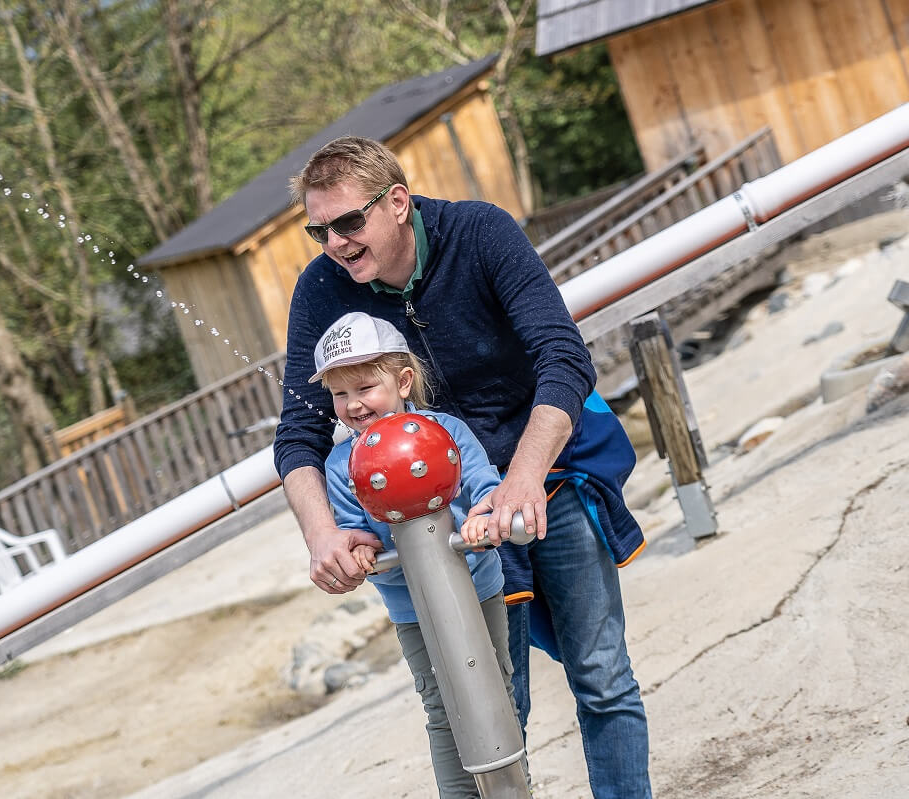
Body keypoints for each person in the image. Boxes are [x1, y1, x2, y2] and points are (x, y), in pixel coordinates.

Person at [273, 136, 652, 798]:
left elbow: (563, 357)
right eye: (319, 230)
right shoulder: (321, 289)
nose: (333, 242)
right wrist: (322, 535)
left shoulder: (479, 232)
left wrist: (523, 479)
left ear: (397, 203)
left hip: (546, 473)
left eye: (348, 222)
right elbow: (298, 432)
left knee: (601, 673)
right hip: (446, 517)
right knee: (491, 702)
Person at [313, 310, 533, 798]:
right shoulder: (340, 463)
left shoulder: (445, 432)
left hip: (477, 587)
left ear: (404, 381)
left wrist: (481, 516)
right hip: (411, 608)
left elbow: (485, 486)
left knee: (496, 689)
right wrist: (362, 550)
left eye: (365, 387)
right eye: (339, 394)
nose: (352, 404)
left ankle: (516, 790)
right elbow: (353, 530)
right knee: (440, 706)